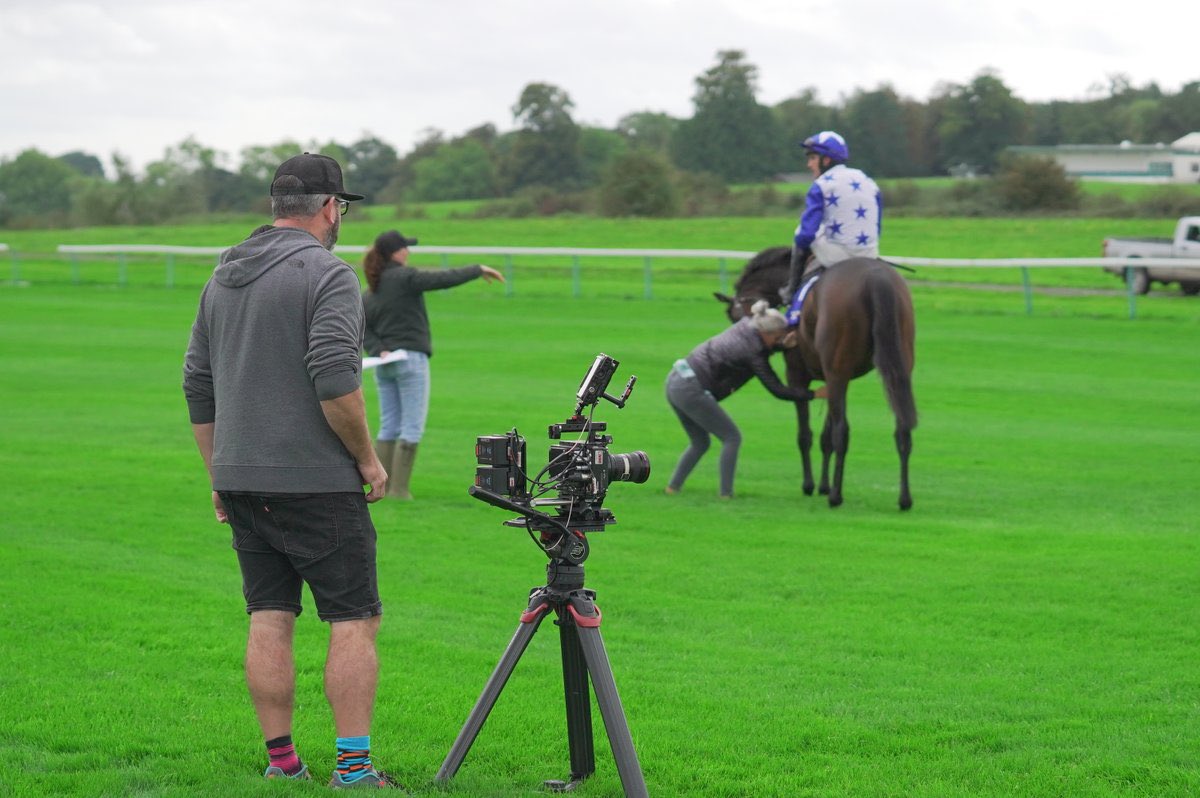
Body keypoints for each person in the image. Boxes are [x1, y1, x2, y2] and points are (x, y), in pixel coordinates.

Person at [183, 153, 400, 789]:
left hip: (242, 477)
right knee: (353, 618)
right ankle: (355, 771)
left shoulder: (224, 274)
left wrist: (217, 470)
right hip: (317, 482)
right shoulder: (326, 275)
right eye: (342, 209)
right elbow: (336, 378)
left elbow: (197, 380)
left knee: (269, 616)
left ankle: (283, 765)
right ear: (331, 207)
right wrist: (366, 458)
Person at [361, 230, 504, 499]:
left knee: (389, 424)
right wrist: (478, 269)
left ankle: (384, 485)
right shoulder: (405, 278)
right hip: (411, 359)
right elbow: (442, 279)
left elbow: (362, 326)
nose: (409, 251)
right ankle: (400, 490)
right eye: (406, 247)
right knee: (412, 425)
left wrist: (378, 349)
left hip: (384, 362)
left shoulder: (372, 288)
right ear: (397, 252)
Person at [664, 300, 812, 498]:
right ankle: (726, 494)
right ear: (766, 333)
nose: (779, 340)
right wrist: (814, 394)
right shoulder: (753, 352)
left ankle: (672, 488)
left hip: (676, 380)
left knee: (700, 442)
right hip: (691, 389)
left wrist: (781, 347)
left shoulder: (747, 325)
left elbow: (759, 347)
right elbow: (777, 389)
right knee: (731, 437)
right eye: (777, 337)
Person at [784, 131, 883, 309]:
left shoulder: (820, 185)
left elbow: (806, 235)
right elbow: (877, 227)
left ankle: (792, 291)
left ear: (826, 160)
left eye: (812, 158)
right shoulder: (868, 180)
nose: (809, 164)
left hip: (838, 258)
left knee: (800, 232)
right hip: (870, 254)